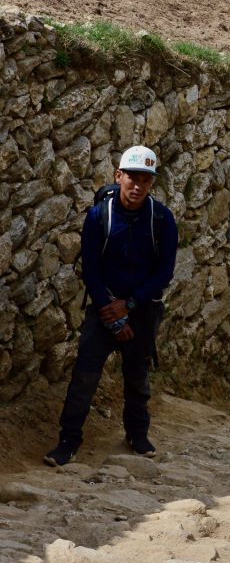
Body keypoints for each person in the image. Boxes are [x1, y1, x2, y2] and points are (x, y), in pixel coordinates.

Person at [45, 146, 179, 467]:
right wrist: (111, 313)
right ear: (118, 176)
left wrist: (129, 305)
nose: (137, 186)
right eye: (132, 177)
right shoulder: (97, 216)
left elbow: (164, 272)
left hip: (142, 309)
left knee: (137, 375)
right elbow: (91, 268)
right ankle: (68, 440)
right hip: (104, 309)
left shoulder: (162, 219)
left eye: (145, 180)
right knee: (85, 375)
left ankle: (137, 433)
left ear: (152, 184)